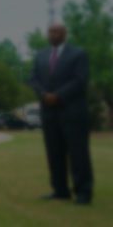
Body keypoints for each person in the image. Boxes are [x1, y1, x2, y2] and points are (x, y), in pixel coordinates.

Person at [29, 24, 93, 205]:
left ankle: (83, 192)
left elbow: (80, 80)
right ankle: (60, 190)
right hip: (49, 113)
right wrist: (44, 95)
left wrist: (58, 96)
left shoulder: (78, 54)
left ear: (65, 34)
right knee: (54, 153)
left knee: (78, 154)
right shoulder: (41, 55)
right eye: (50, 31)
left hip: (72, 112)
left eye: (56, 31)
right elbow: (33, 79)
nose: (52, 34)